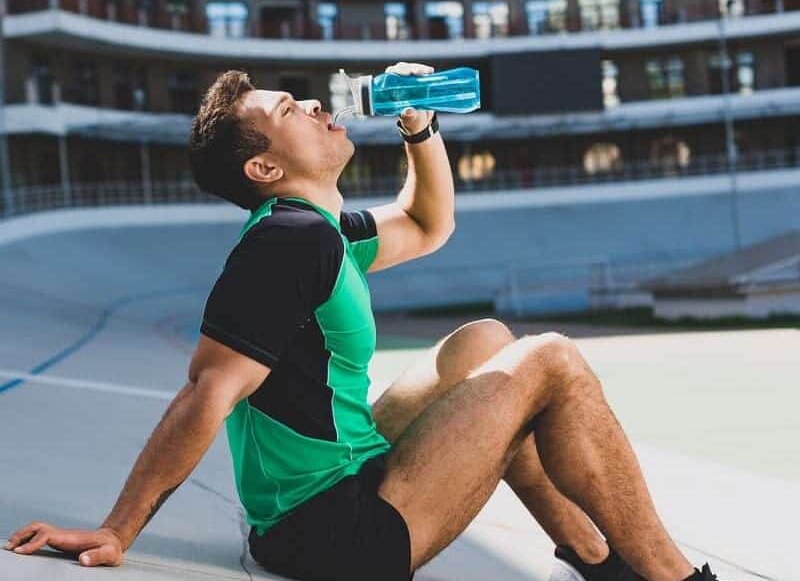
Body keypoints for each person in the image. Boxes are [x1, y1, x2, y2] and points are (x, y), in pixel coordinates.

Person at [5, 63, 720, 581]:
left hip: (345, 487)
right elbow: (207, 392)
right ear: (263, 167)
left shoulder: (321, 231)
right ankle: (670, 578)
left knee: (487, 344)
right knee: (552, 361)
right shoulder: (287, 243)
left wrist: (419, 126)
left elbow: (426, 222)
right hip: (333, 535)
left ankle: (598, 561)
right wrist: (117, 528)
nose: (317, 104)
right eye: (291, 110)